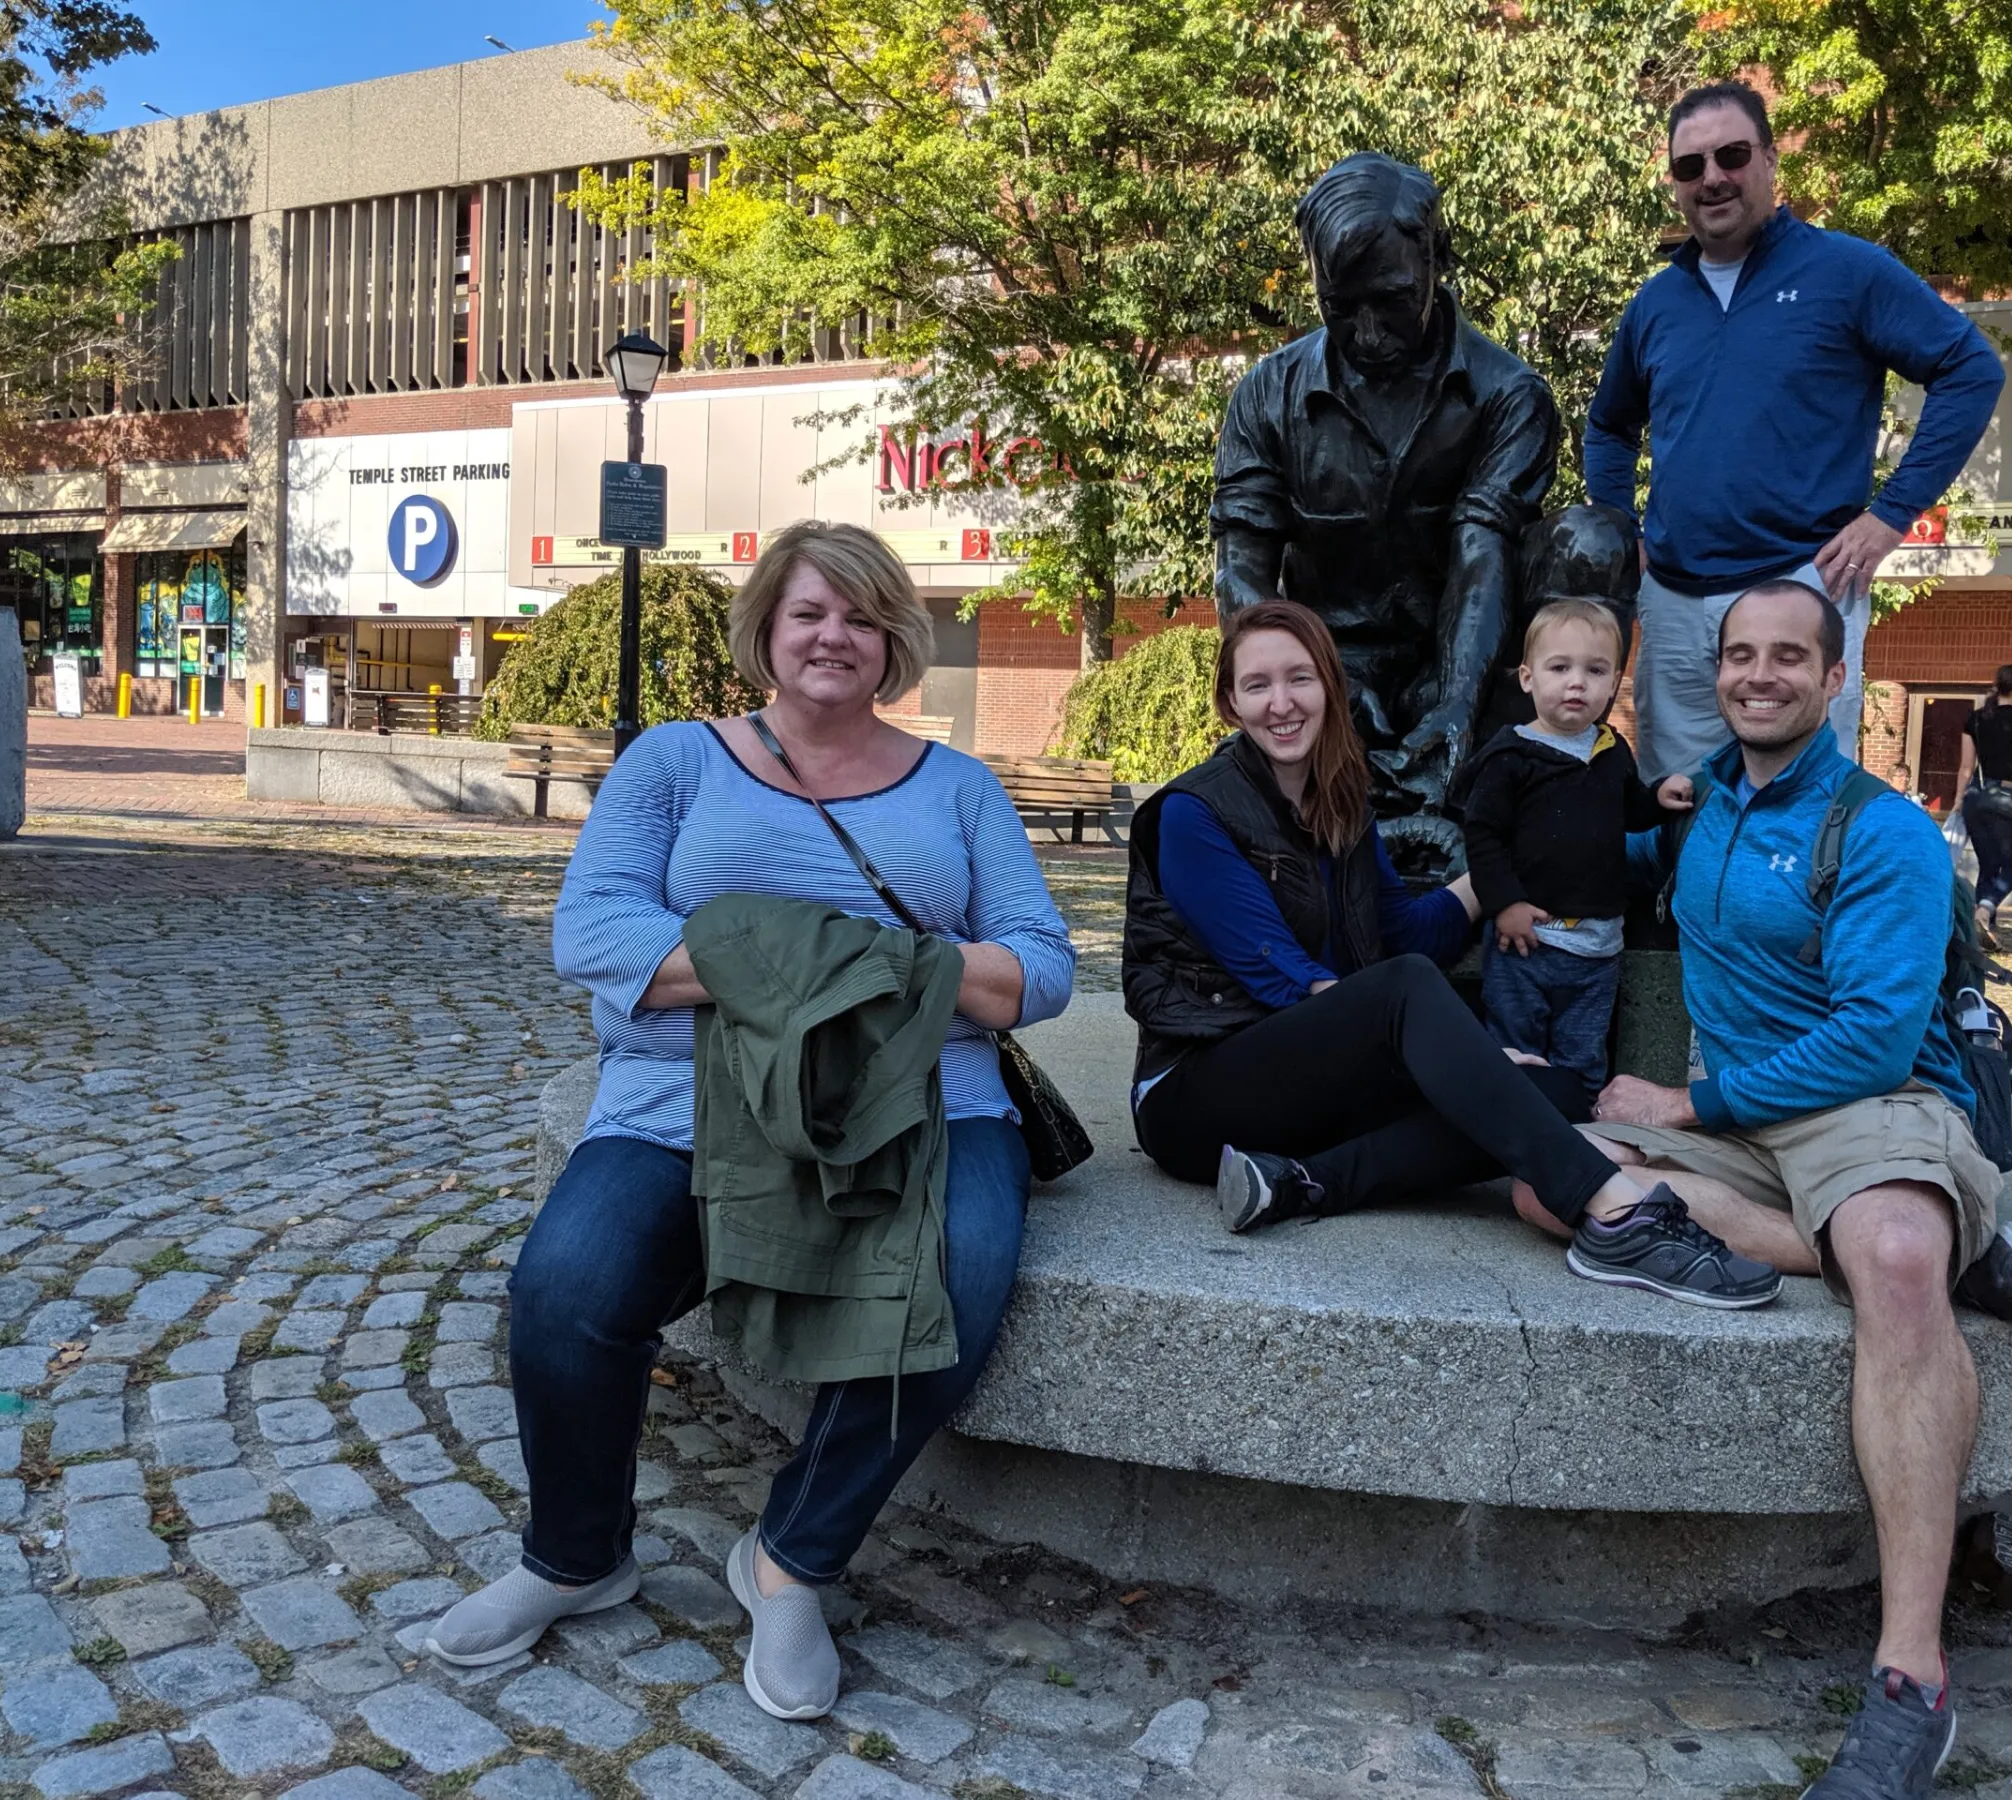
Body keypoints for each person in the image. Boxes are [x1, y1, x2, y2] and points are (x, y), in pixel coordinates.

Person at [424, 522, 1075, 1721]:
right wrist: (837, 964)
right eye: (812, 613)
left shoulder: (960, 788)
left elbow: (1039, 969)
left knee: (958, 1283)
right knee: (565, 1291)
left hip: (927, 1102)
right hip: (683, 1095)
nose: (837, 637)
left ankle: (790, 1558)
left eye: (864, 618)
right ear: (767, 631)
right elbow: (595, 934)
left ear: (895, 643)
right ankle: (576, 1557)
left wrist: (809, 962)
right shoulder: (676, 762)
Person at [1581, 578, 2012, 1799]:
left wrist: (1684, 1105)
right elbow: (1605, 847)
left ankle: (1912, 1677)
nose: (1761, 674)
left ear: (1834, 680)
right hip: (1749, 1123)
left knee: (1892, 1263)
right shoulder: (1708, 806)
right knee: (1560, 1181)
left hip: (1869, 1105)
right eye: (1741, 655)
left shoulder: (1882, 830)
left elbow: (1877, 1042)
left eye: (1790, 656)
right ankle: (1956, 1243)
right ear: (1715, 673)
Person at [1121, 598, 1779, 1309]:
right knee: (1431, 1013)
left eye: (1300, 679)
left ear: (1329, 688)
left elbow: (1405, 932)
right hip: (1196, 1091)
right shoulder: (1192, 813)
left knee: (1557, 1088)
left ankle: (1298, 1182)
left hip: (1305, 1090)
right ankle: (1616, 1211)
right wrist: (1478, 1054)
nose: (1282, 703)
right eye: (1257, 685)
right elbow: (1285, 979)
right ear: (1230, 701)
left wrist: (1504, 879)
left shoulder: (1339, 802)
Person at [1581, 80, 2005, 784]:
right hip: (1676, 607)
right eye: (1691, 166)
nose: (1712, 177)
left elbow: (1969, 369)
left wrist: (1891, 516)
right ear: (1675, 185)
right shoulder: (1655, 304)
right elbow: (1608, 426)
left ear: (1771, 161)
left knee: (1800, 811)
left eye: (1732, 154)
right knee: (1675, 804)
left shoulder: (1847, 271)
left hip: (1801, 588)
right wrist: (1618, 531)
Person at [1212, 151, 1561, 868]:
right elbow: (1240, 578)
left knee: (1592, 541)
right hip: (1328, 669)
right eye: (1341, 309)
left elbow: (1482, 550)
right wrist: (1324, 689)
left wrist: (1458, 704)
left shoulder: (1509, 396)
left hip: (1461, 665)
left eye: (1394, 300)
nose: (1369, 334)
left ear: (1438, 262)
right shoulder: (1265, 396)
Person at [1460, 599, 1691, 1090]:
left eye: (1595, 670)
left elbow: (1626, 810)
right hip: (1527, 941)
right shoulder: (1511, 756)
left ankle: (1580, 1136)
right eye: (1559, 667)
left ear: (1613, 684)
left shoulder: (1611, 750)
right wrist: (1504, 903)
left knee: (1583, 1054)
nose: (1576, 682)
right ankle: (1512, 1135)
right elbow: (1482, 835)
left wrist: (1658, 798)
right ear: (1527, 678)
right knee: (1515, 1050)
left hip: (1598, 947)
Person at [1954, 666, 2012, 947]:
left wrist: (1959, 799)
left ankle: (1983, 931)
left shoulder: (1975, 718)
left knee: (1988, 864)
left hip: (1976, 796)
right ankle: (1983, 910)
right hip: (2007, 797)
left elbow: (1965, 766)